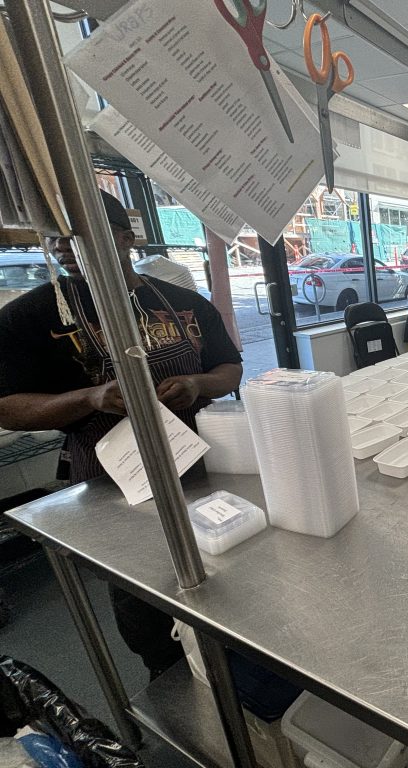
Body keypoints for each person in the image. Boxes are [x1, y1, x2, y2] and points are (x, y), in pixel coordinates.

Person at [0, 190, 242, 676]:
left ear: (127, 239)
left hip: (202, 468)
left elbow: (230, 369)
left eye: (79, 235)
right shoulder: (28, 318)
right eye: (55, 238)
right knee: (143, 598)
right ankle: (166, 671)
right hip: (110, 483)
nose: (64, 247)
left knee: (227, 572)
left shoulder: (184, 303)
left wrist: (198, 384)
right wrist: (89, 398)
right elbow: (9, 409)